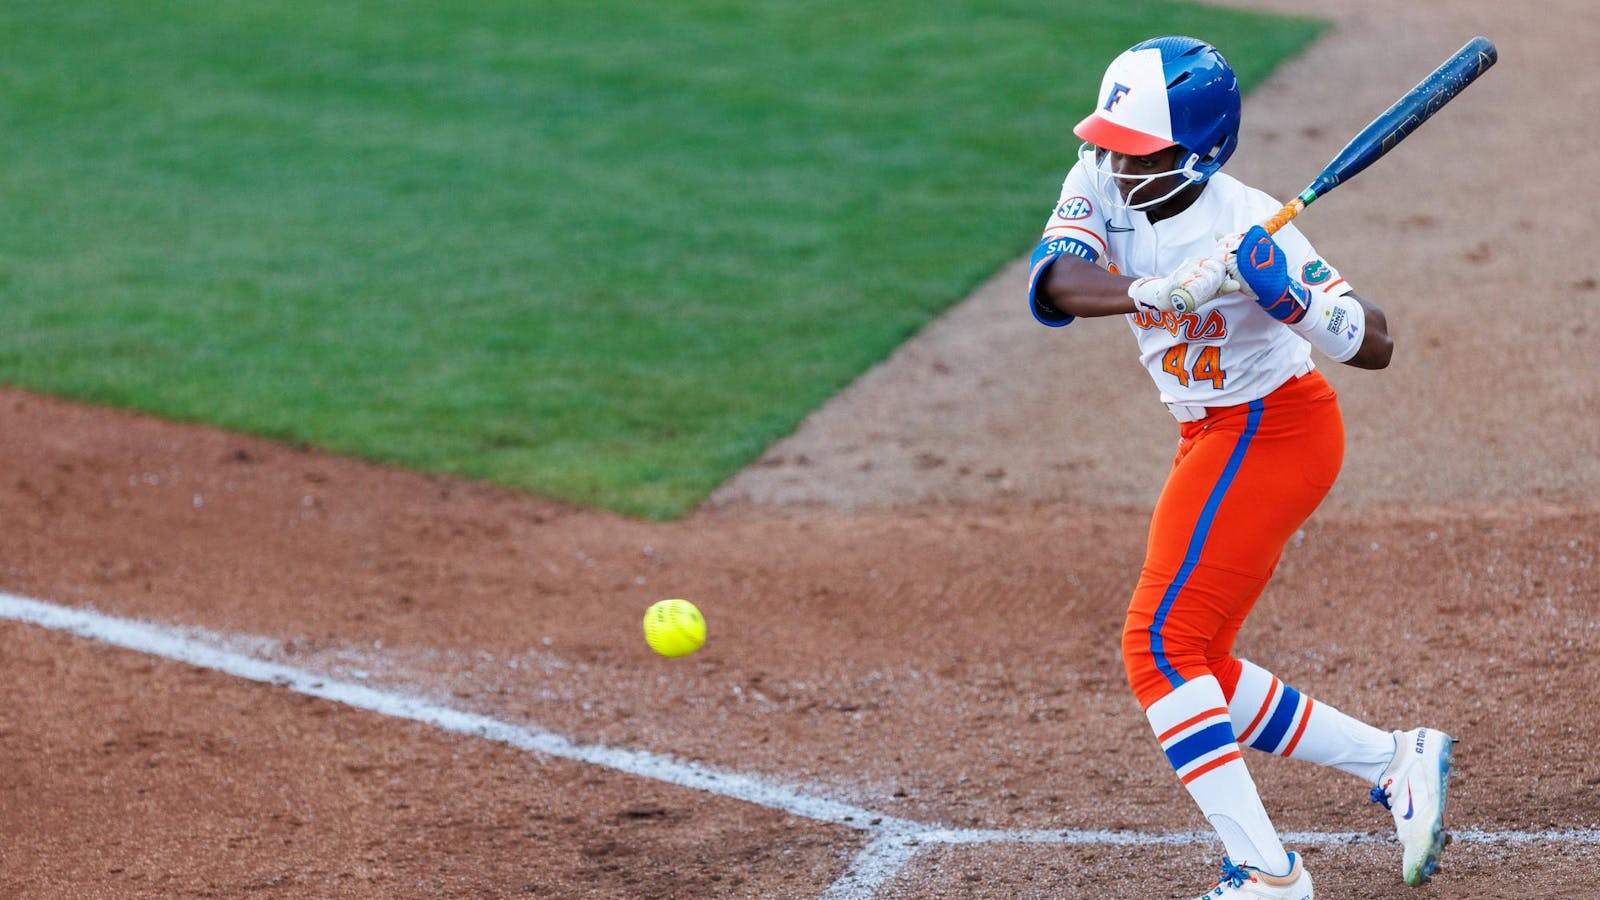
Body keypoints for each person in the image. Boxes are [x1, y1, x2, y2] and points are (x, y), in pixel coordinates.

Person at [1026, 36, 1454, 899]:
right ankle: (1394, 759)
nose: (1109, 158)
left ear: (1197, 154)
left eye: (1132, 149)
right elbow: (1057, 282)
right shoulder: (1098, 179)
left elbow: (1376, 342)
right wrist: (1155, 292)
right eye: (1105, 140)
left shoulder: (1249, 223)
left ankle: (1267, 872)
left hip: (1273, 433)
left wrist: (1286, 295)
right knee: (1198, 659)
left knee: (1158, 646)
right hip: (1210, 435)